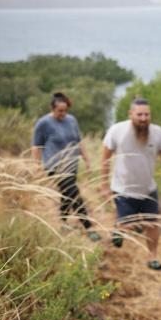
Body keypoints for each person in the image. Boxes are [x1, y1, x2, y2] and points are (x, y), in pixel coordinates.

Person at [101, 97, 161, 270]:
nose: (143, 118)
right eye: (139, 114)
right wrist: (104, 185)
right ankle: (120, 228)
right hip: (123, 189)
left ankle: (152, 256)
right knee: (127, 224)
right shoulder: (117, 130)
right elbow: (105, 158)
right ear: (130, 114)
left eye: (147, 114)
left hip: (148, 189)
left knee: (152, 224)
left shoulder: (157, 132)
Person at [31, 92, 101, 241]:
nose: (63, 114)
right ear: (52, 108)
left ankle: (63, 222)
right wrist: (37, 166)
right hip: (54, 166)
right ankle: (89, 227)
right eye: (59, 111)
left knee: (67, 195)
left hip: (71, 164)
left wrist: (86, 159)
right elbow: (36, 146)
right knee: (73, 193)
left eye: (65, 110)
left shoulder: (71, 120)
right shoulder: (43, 123)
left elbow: (78, 141)